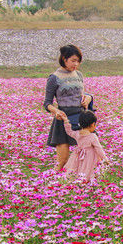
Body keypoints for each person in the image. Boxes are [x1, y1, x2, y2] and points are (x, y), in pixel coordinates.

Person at [44, 44, 95, 172]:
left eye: (78, 61)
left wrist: (88, 97)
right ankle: (52, 183)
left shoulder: (78, 75)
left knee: (91, 154)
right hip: (64, 118)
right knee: (63, 161)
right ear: (64, 59)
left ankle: (84, 181)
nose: (76, 64)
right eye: (73, 61)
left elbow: (81, 94)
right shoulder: (54, 78)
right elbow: (47, 103)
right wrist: (55, 111)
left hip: (81, 118)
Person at [62, 110, 109, 181]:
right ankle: (89, 184)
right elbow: (99, 149)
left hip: (79, 156)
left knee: (80, 170)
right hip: (90, 158)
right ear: (93, 124)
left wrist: (66, 121)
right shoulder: (92, 136)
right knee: (89, 171)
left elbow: (69, 131)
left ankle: (80, 183)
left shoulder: (77, 134)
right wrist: (105, 159)